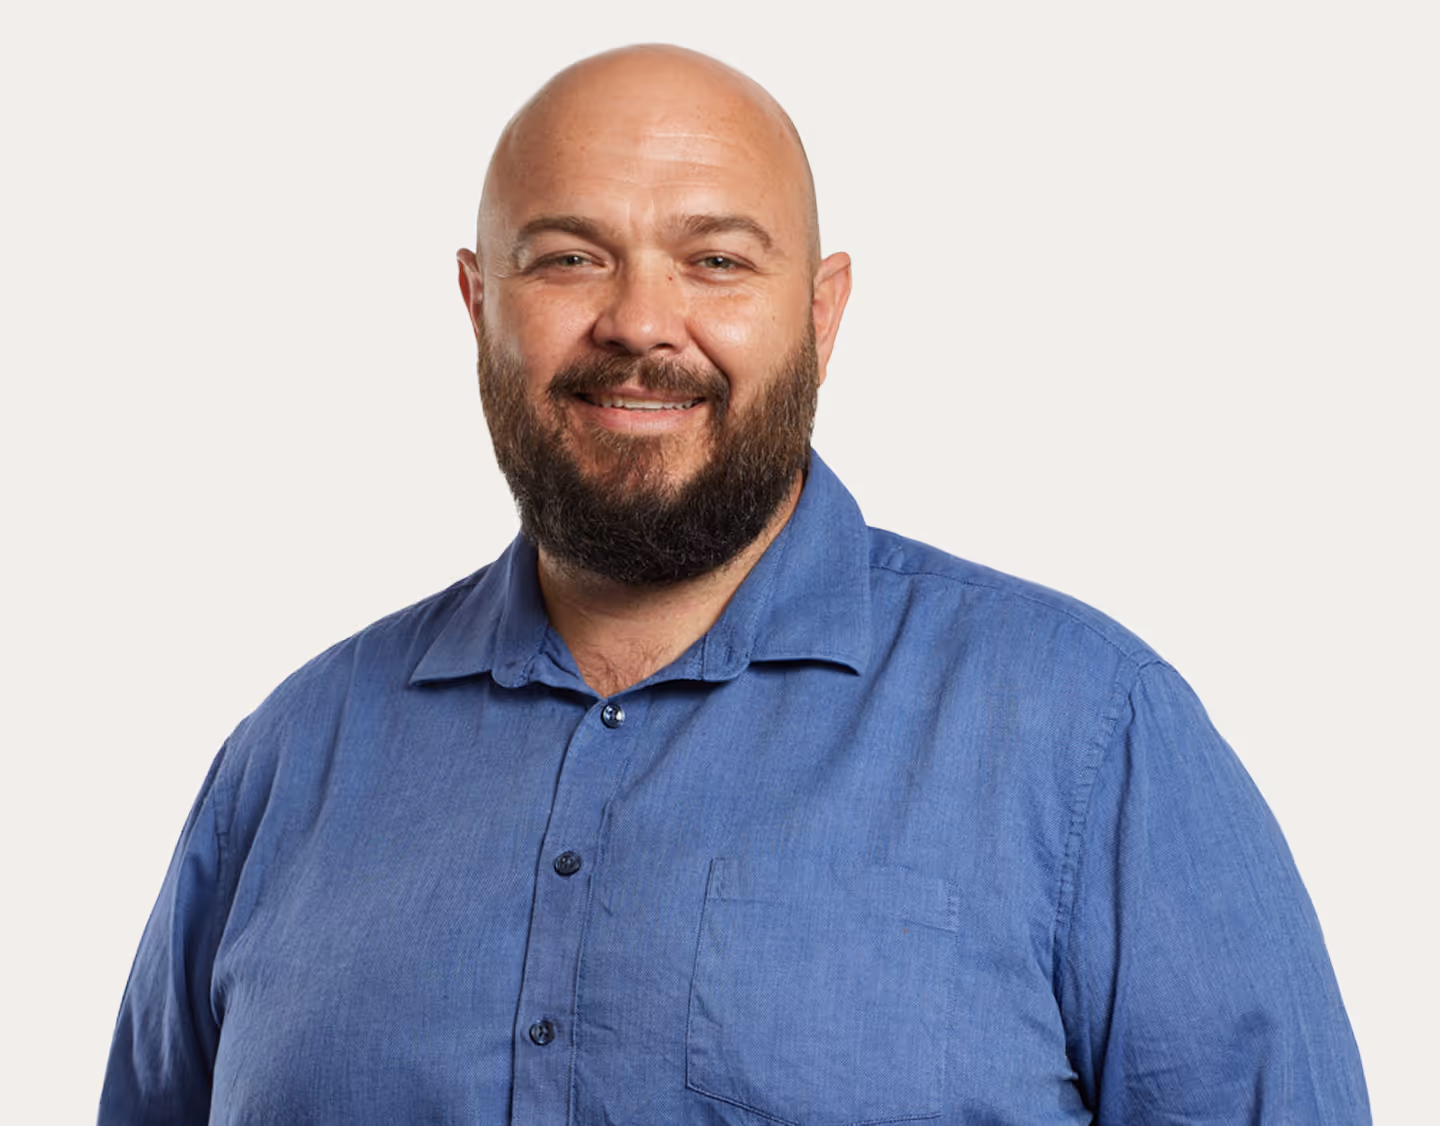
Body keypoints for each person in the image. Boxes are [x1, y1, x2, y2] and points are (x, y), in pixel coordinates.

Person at [99, 45, 1369, 1125]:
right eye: (568, 259)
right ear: (479, 303)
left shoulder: (1091, 733)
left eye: (715, 261)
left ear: (822, 314)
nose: (643, 322)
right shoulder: (284, 766)